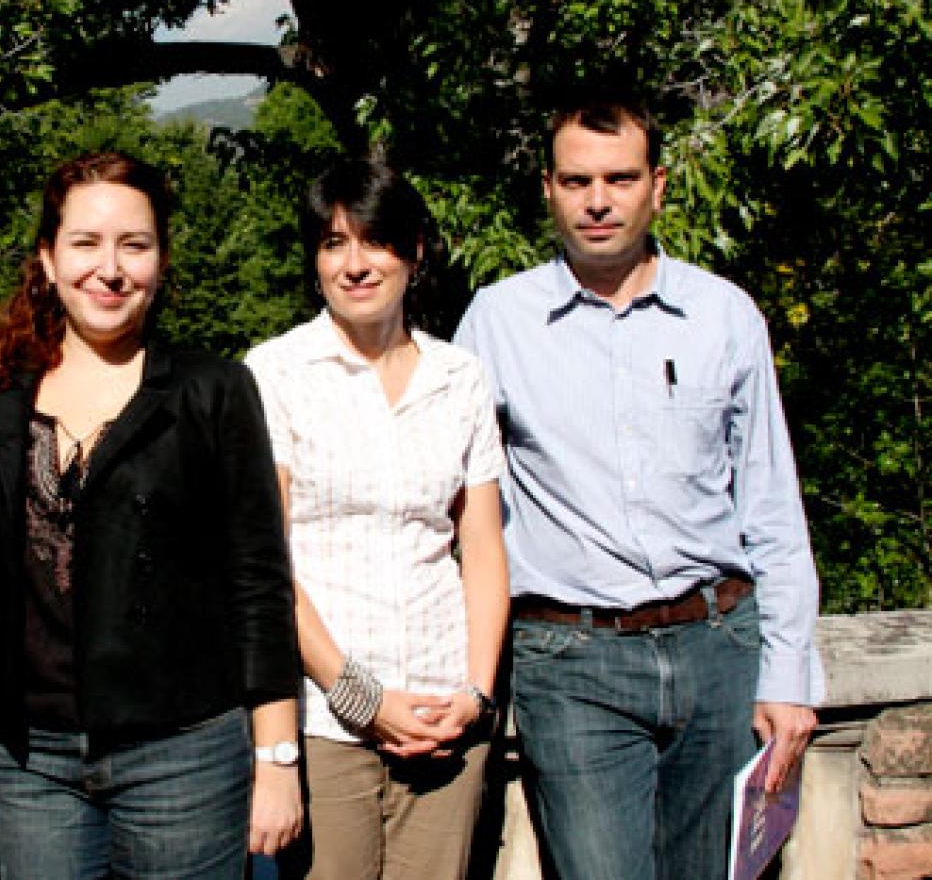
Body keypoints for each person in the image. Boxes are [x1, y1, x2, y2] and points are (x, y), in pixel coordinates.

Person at [454, 92, 823, 880]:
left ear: (657, 185)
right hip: (570, 656)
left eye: (619, 178)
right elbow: (451, 504)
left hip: (719, 648)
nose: (597, 200)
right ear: (546, 188)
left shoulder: (723, 316)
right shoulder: (497, 323)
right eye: (576, 180)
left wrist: (789, 675)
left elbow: (771, 508)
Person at [0, 151, 302, 879]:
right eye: (85, 243)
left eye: (134, 245)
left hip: (185, 758)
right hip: (32, 765)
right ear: (48, 260)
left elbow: (259, 583)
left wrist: (277, 758)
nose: (109, 269)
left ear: (161, 259)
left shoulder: (213, 391)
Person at [245, 159, 509, 880]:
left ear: (415, 251)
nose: (355, 264)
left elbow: (482, 547)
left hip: (444, 716)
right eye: (334, 243)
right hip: (329, 721)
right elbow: (269, 564)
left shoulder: (461, 377)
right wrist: (360, 696)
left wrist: (476, 697)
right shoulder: (276, 372)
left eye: (375, 242)